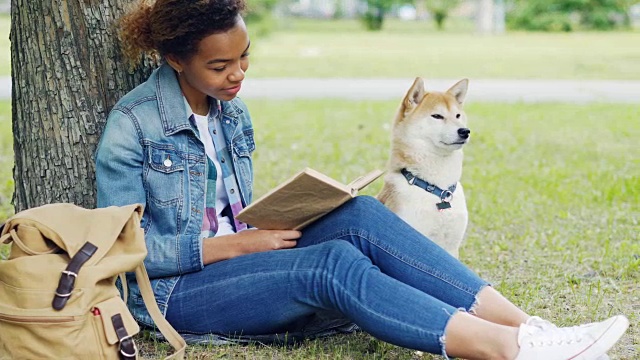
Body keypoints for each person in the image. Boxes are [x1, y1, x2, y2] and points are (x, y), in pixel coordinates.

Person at [94, 1, 629, 359]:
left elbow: (230, 207)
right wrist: (234, 246)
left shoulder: (230, 111)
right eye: (219, 66)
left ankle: (532, 329)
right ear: (173, 59)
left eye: (244, 57)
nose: (237, 75)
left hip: (244, 255)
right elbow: (122, 251)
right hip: (171, 293)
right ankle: (505, 348)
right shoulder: (133, 124)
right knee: (333, 263)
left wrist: (285, 216)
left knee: (361, 214)